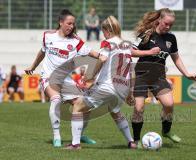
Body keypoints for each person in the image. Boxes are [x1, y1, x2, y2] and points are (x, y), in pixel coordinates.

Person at [65, 15, 160, 150]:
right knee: (115, 112)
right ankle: (131, 142)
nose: (103, 35)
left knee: (78, 106)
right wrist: (129, 94)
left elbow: (102, 59)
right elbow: (131, 66)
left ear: (107, 30)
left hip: (108, 86)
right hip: (122, 88)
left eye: (103, 32)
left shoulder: (108, 42)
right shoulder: (125, 45)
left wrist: (90, 76)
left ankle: (75, 144)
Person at [24, 9, 98, 147]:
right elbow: (42, 52)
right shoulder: (48, 36)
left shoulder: (76, 41)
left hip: (67, 80)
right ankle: (56, 136)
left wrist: (101, 56)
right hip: (48, 77)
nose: (71, 26)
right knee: (56, 99)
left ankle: (80, 136)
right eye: (69, 23)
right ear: (61, 22)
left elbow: (91, 52)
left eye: (73, 24)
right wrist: (33, 66)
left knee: (85, 106)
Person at [131, 8, 196, 146]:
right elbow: (131, 52)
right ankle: (137, 140)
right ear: (159, 20)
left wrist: (186, 74)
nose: (168, 27)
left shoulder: (171, 38)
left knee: (169, 105)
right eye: (166, 23)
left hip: (159, 77)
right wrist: (149, 52)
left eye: (171, 25)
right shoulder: (146, 34)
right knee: (138, 109)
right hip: (141, 76)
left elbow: (176, 58)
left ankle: (166, 131)